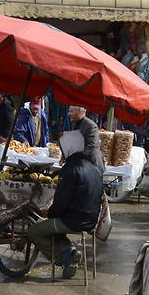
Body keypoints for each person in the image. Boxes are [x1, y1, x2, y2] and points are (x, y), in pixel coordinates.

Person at [26, 131, 102, 279]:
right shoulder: (95, 168)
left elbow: (61, 201)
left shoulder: (71, 168)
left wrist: (49, 214)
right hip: (91, 220)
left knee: (34, 231)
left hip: (74, 220)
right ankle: (70, 251)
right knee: (53, 227)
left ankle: (64, 260)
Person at [68, 105, 105, 173]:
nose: (69, 113)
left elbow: (90, 147)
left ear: (79, 112)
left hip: (92, 166)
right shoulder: (74, 123)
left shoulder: (91, 126)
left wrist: (73, 156)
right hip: (81, 165)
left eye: (71, 111)